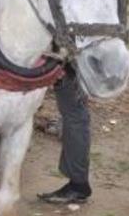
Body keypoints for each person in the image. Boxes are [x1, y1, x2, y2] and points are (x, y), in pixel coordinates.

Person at [36, 71, 92, 204]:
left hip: (73, 70)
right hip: (77, 69)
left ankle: (78, 185)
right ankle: (78, 184)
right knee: (76, 117)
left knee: (75, 118)